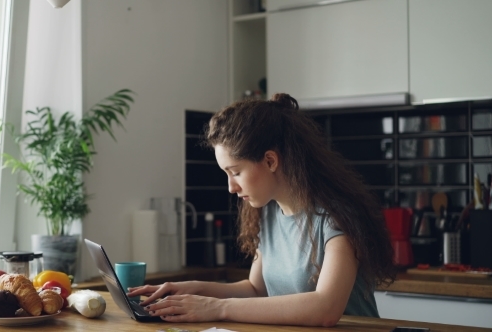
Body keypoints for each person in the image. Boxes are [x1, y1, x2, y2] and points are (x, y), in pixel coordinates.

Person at [128, 93, 396, 326]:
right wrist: (189, 291)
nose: (231, 187)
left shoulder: (336, 218)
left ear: (270, 160)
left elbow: (325, 309)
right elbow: (257, 290)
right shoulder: (267, 212)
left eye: (235, 172)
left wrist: (217, 307)